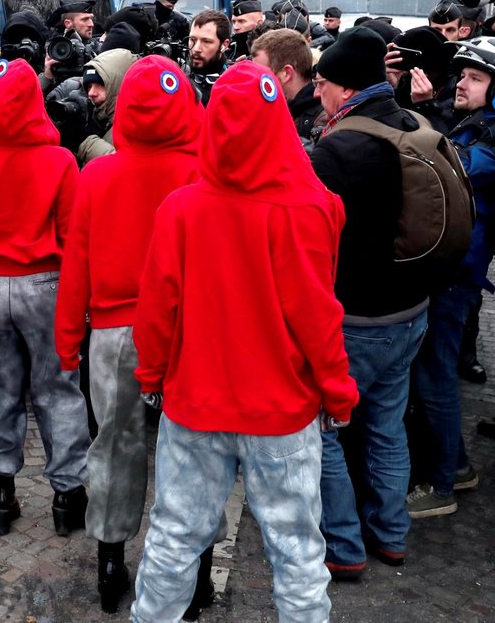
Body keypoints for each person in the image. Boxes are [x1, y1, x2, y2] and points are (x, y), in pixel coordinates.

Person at [130, 60, 358, 623]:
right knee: (297, 550)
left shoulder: (181, 209)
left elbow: (156, 312)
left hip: (196, 406)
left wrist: (152, 378)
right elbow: (318, 316)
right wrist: (337, 394)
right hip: (280, 411)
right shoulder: (311, 209)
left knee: (174, 538)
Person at [54, 55, 202, 615]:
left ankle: (110, 562)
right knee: (189, 456)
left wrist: (67, 341)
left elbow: (78, 266)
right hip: (186, 333)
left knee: (115, 447)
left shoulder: (97, 175)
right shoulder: (200, 172)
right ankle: (194, 571)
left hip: (115, 335)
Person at [0, 59, 91, 538]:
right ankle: (68, 494)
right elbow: (72, 240)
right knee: (57, 390)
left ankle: (2, 491)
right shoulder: (60, 161)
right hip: (44, 284)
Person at [310, 27, 430, 578]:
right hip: (411, 309)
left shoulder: (342, 148)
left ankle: (344, 545)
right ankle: (392, 534)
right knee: (386, 426)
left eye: (324, 83)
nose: (317, 94)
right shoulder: (411, 122)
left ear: (346, 87)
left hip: (357, 316)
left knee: (327, 430)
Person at [406, 37, 495, 519]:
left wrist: (423, 115)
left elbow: (445, 167)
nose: (460, 82)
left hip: (454, 273)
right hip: (449, 267)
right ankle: (454, 464)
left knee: (435, 377)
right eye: (462, 75)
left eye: (475, 78)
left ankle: (442, 483)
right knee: (430, 373)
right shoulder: (484, 124)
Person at [250, 28, 326, 142]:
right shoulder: (278, 110)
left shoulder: (321, 120)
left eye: (262, 74)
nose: (257, 81)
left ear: (286, 73)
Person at [76, 48, 136, 166]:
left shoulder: (136, 126)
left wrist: (88, 143)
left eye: (101, 84)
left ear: (120, 84)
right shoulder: (98, 118)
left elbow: (127, 170)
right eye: (89, 86)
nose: (91, 93)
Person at [188, 10, 231, 106]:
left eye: (206, 41)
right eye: (192, 39)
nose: (196, 49)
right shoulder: (180, 78)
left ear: (224, 45)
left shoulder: (233, 86)